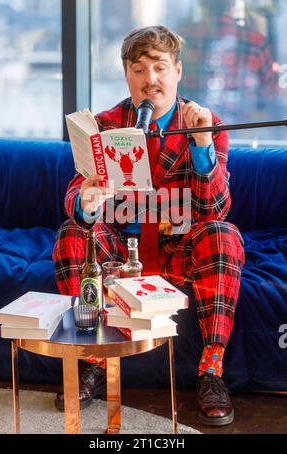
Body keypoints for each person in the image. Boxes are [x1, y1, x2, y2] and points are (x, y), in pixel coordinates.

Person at [53, 25, 245, 426]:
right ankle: (92, 360)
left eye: (159, 67)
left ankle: (211, 371)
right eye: (138, 69)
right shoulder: (104, 125)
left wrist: (203, 146)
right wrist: (86, 204)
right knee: (73, 233)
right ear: (126, 74)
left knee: (224, 236)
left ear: (177, 71)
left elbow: (216, 210)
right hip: (121, 252)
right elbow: (74, 196)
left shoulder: (207, 124)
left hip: (178, 249)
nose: (150, 80)